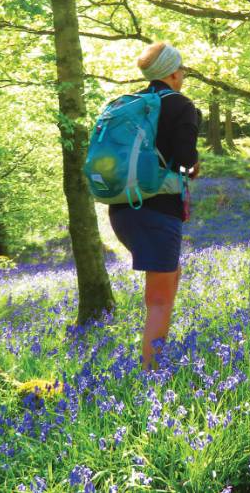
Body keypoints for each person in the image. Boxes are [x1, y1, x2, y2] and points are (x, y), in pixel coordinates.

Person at [108, 42, 200, 370]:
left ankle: (154, 361)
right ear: (173, 73)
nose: (184, 73)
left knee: (169, 278)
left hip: (121, 209)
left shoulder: (129, 104)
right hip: (158, 211)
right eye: (183, 68)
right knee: (160, 301)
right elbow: (187, 162)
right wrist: (193, 167)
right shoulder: (181, 106)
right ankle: (152, 379)